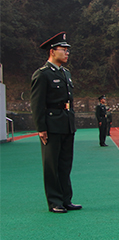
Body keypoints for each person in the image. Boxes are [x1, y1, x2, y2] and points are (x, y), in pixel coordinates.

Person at [30, 31, 82, 213]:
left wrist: (71, 121)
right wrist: (41, 128)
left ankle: (66, 199)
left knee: (65, 163)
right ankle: (54, 201)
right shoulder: (42, 74)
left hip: (66, 123)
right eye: (64, 49)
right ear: (52, 51)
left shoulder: (66, 74)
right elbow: (37, 104)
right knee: (51, 164)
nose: (67, 53)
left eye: (68, 50)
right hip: (51, 125)